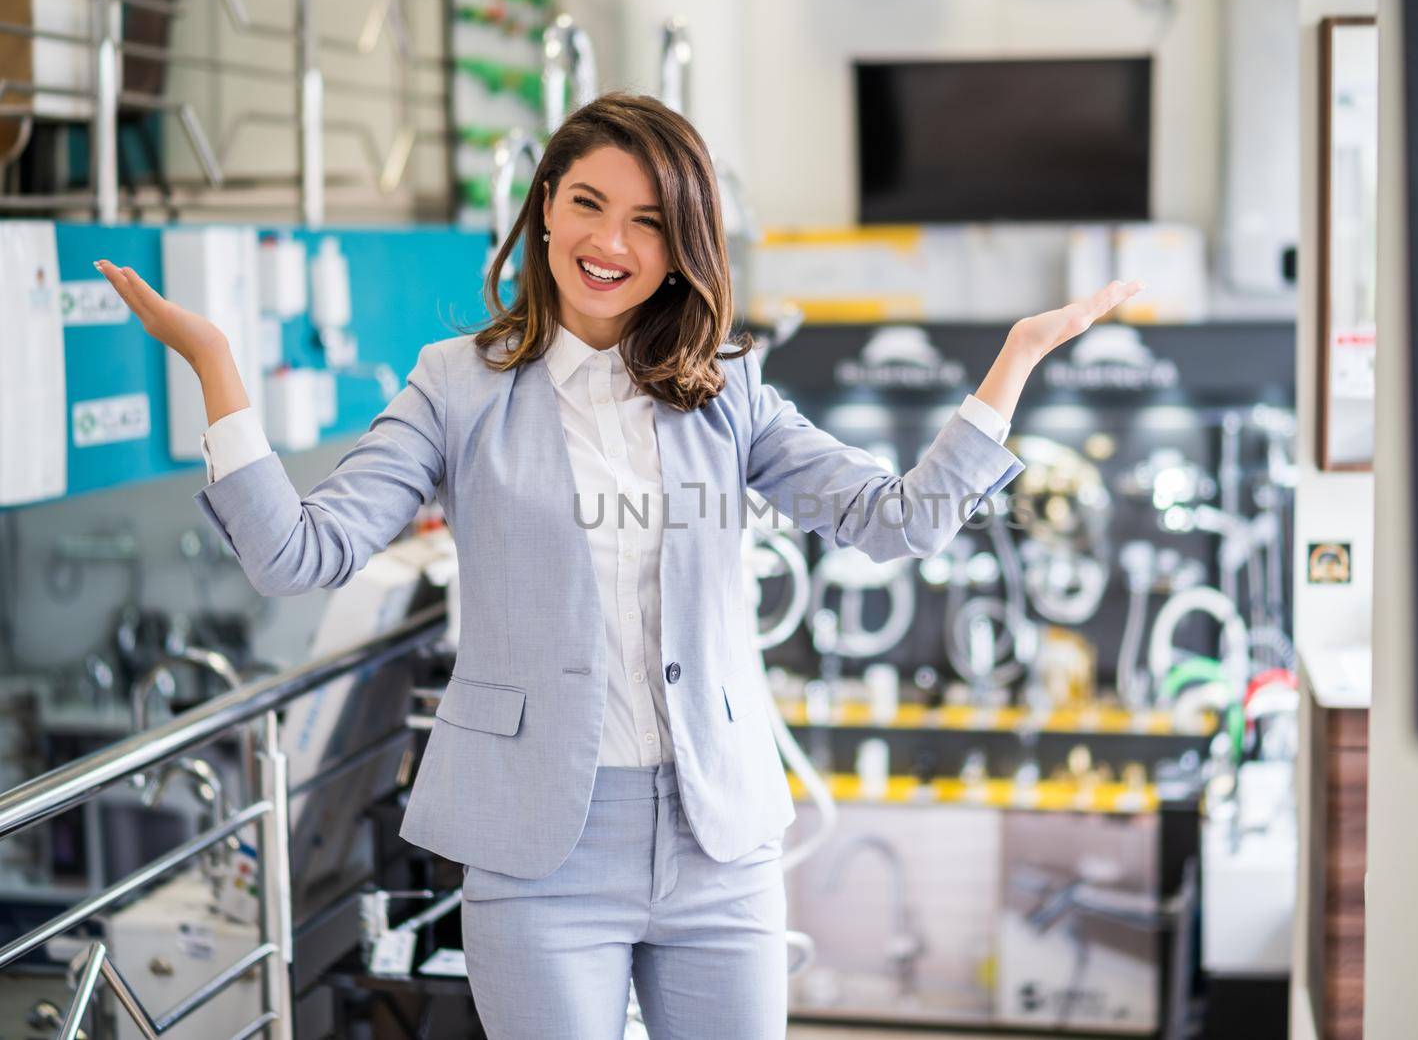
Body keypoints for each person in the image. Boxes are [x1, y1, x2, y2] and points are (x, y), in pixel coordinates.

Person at [96, 91, 1143, 1039]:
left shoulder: (726, 390)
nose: (610, 241)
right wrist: (216, 368)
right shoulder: (454, 387)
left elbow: (895, 522)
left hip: (717, 840)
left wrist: (1011, 365)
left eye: (649, 221)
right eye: (589, 202)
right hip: (540, 844)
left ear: (684, 246)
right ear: (545, 204)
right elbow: (295, 554)